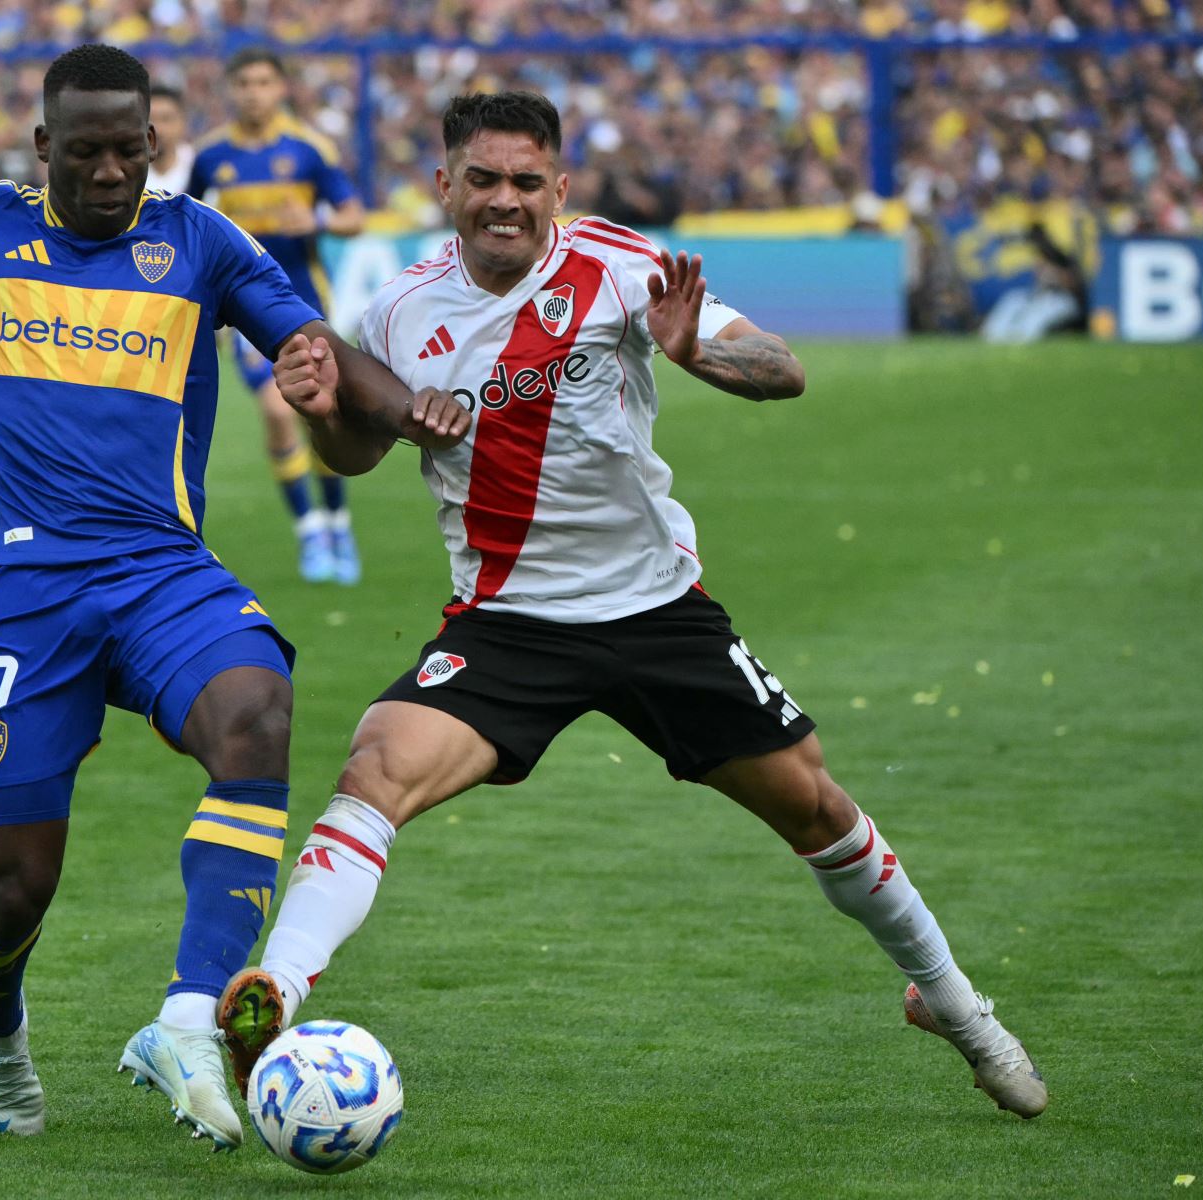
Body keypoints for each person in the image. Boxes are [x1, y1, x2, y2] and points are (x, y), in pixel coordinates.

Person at [217, 91, 1048, 1121]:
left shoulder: (620, 264)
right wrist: (325, 415)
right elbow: (358, 453)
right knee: (375, 768)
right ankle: (275, 995)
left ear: (560, 188)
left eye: (527, 181)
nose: (505, 201)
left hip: (655, 611)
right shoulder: (397, 311)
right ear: (446, 187)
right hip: (505, 622)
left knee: (816, 808)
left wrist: (698, 351)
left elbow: (783, 371)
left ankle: (958, 1006)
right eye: (483, 179)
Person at [0, 44, 463, 1149]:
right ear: (43, 149)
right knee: (17, 888)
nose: (111, 170)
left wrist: (407, 411)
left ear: (155, 145)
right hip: (24, 586)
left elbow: (315, 352)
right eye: (86, 151)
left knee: (257, 708)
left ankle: (186, 1019)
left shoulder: (201, 242)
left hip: (161, 570)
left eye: (130, 149)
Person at [189, 47, 368, 585]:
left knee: (319, 412)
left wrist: (313, 221)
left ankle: (337, 519)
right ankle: (310, 527)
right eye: (243, 83)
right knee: (275, 410)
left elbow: (354, 217)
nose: (253, 92)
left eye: (263, 82)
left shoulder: (310, 149)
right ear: (231, 90)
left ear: (281, 88)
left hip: (304, 301)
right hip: (244, 307)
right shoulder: (210, 154)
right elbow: (186, 219)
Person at [145, 84, 194, 195]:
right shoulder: (129, 172)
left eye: (166, 119)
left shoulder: (196, 166)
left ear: (183, 123)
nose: (158, 129)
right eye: (150, 119)